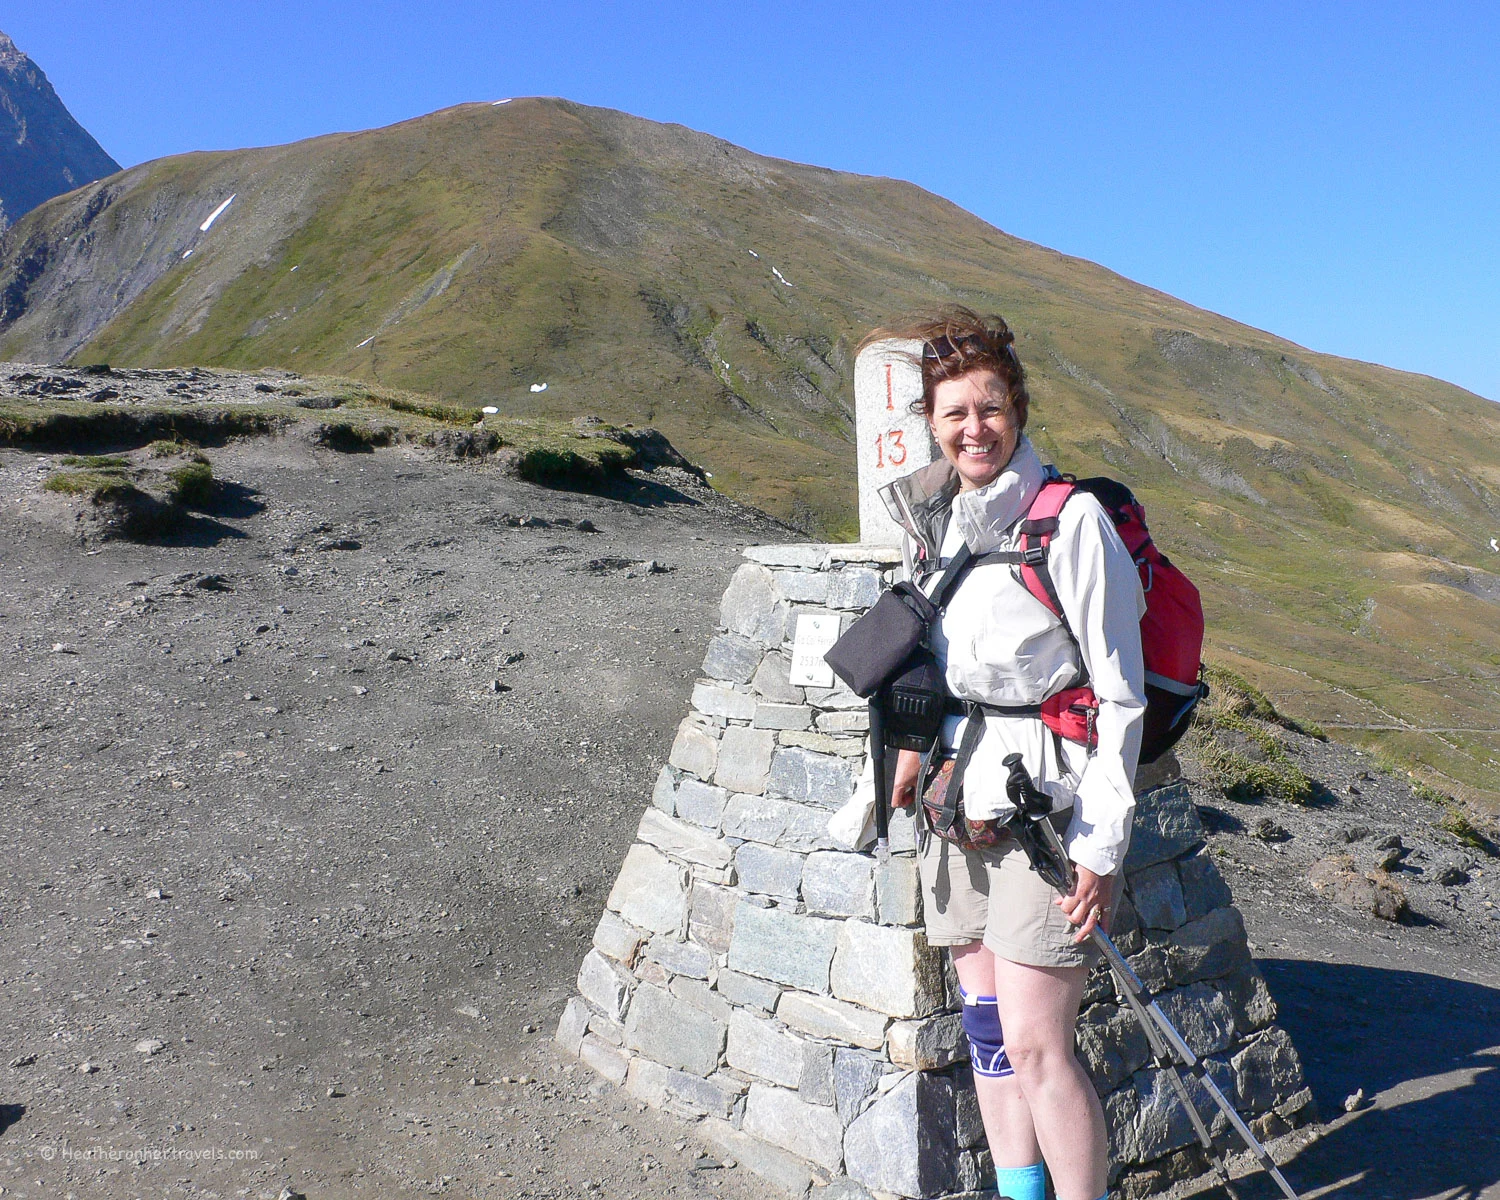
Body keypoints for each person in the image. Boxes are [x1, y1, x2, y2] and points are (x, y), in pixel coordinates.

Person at [875, 309, 1145, 1200]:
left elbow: (1119, 697)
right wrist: (912, 757)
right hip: (959, 802)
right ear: (933, 422)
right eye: (953, 413)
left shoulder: (1072, 526)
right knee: (989, 1037)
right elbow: (939, 667)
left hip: (1046, 816)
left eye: (987, 408)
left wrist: (1101, 850)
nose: (973, 428)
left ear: (1018, 411)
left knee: (1036, 1045)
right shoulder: (944, 522)